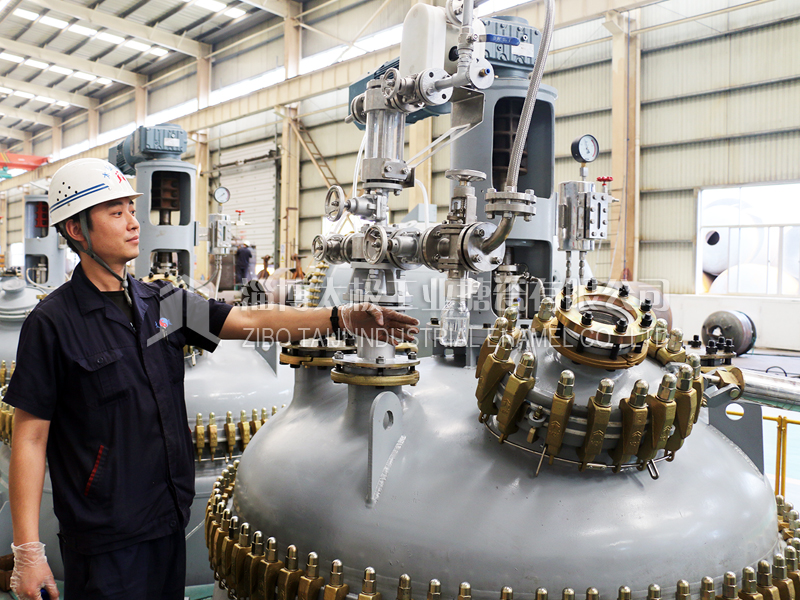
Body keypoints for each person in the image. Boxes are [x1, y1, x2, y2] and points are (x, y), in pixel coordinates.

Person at [4, 158, 418, 600]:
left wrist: (340, 317)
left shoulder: (162, 302)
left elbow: (248, 319)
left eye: (131, 209)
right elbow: (30, 438)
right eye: (116, 212)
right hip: (104, 539)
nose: (133, 222)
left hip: (168, 520)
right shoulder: (53, 323)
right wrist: (28, 551)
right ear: (76, 230)